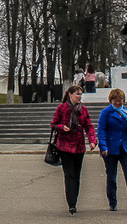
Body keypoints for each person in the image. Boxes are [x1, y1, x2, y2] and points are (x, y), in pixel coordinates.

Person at [51, 84, 98, 216]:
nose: (79, 97)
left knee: (76, 175)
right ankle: (71, 204)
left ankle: (74, 200)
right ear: (70, 94)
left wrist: (93, 140)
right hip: (64, 147)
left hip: (79, 147)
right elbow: (53, 124)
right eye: (77, 94)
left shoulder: (83, 110)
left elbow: (88, 126)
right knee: (69, 174)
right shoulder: (61, 108)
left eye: (81, 94)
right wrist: (61, 127)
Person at [97, 88, 127, 213]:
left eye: (120, 100)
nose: (118, 103)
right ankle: (113, 202)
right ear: (111, 100)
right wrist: (103, 147)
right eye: (115, 101)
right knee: (111, 177)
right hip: (110, 149)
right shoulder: (106, 113)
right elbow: (101, 131)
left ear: (124, 100)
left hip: (126, 148)